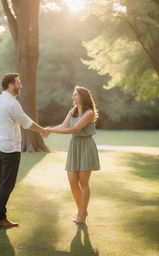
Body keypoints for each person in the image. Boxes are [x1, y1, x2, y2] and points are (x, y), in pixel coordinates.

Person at [0, 73, 49, 228]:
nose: (20, 85)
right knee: (7, 185)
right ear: (10, 85)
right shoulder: (12, 103)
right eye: (18, 83)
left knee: (3, 184)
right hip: (8, 150)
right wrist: (42, 130)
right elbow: (27, 123)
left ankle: (0, 216)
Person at [47, 86, 100, 224]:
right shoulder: (73, 111)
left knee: (83, 182)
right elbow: (64, 125)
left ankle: (82, 213)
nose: (73, 97)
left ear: (82, 97)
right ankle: (82, 209)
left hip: (86, 147)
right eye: (73, 95)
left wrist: (52, 130)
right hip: (74, 146)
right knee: (72, 181)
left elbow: (74, 129)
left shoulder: (89, 113)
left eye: (75, 95)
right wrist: (49, 130)